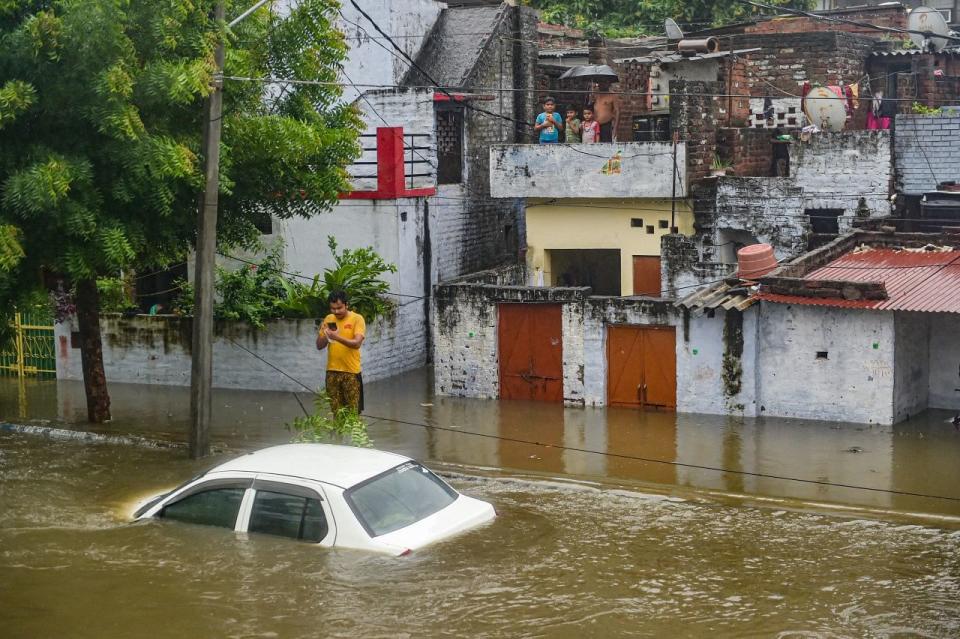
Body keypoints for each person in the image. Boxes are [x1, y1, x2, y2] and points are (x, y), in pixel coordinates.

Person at [316, 291, 366, 414]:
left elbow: (357, 343)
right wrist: (326, 336)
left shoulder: (357, 319)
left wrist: (337, 337)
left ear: (346, 305)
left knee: (353, 413)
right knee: (336, 412)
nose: (336, 311)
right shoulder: (329, 318)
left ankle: (355, 434)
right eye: (333, 308)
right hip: (332, 372)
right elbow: (319, 346)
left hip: (351, 373)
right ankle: (338, 433)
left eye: (339, 308)